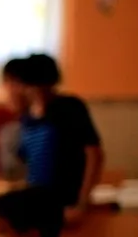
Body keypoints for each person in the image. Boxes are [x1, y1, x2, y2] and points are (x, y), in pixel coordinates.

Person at [17, 53, 104, 224]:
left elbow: (94, 155)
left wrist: (82, 202)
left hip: (68, 200)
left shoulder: (70, 108)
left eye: (42, 84)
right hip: (36, 203)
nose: (37, 91)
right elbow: (27, 163)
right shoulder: (27, 117)